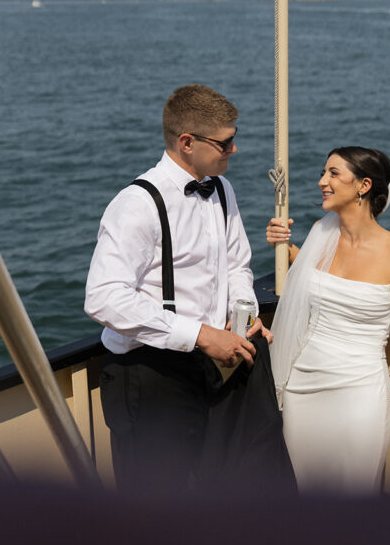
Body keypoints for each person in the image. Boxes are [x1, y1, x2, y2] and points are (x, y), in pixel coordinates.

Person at [85, 83, 271, 493]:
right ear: (187, 142)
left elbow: (238, 263)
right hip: (150, 376)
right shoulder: (137, 204)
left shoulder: (222, 189)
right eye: (226, 142)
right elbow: (104, 297)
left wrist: (244, 313)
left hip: (213, 367)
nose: (233, 150)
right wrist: (202, 335)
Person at [266, 146, 390, 495]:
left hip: (358, 391)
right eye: (324, 173)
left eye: (333, 173)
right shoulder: (319, 235)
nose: (322, 181)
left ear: (363, 185)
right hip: (302, 385)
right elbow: (311, 278)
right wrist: (285, 247)